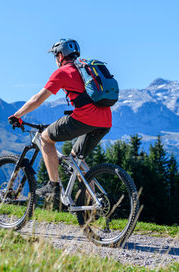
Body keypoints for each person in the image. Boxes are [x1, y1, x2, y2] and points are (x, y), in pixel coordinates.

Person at [8, 38, 112, 202]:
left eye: (55, 56)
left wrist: (18, 115)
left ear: (60, 55)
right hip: (105, 121)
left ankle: (53, 186)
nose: (55, 60)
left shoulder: (63, 72)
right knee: (76, 159)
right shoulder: (84, 70)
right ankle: (94, 205)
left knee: (45, 138)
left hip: (85, 119)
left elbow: (38, 99)